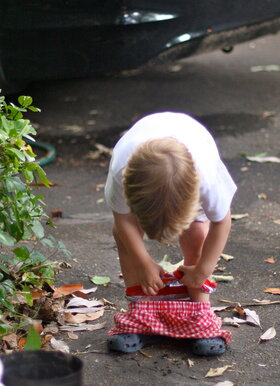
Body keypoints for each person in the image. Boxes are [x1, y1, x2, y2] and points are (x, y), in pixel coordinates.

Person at [104, 111, 237, 355]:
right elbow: (122, 219)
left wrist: (203, 270)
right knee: (124, 237)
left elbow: (222, 222)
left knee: (197, 233)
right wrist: (143, 262)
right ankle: (139, 311)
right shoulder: (122, 172)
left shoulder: (207, 179)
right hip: (144, 172)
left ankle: (200, 312)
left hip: (192, 152)